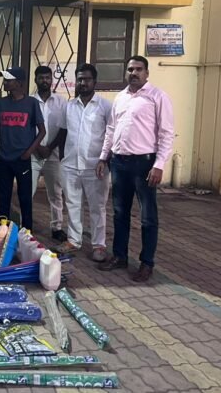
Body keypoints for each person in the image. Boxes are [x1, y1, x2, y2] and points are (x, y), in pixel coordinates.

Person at [96, 55, 174, 282]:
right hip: (119, 162)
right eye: (130, 69)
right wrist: (103, 157)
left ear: (146, 73)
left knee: (148, 216)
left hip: (144, 164)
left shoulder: (158, 97)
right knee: (120, 213)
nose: (134, 73)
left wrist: (159, 165)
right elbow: (111, 130)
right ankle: (120, 256)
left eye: (139, 69)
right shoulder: (120, 97)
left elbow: (166, 133)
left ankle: (146, 263)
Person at [50, 64, 112, 260]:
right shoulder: (69, 106)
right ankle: (73, 240)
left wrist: (105, 160)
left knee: (97, 207)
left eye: (87, 79)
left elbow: (111, 135)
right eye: (79, 79)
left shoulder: (105, 106)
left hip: (96, 166)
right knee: (73, 204)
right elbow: (62, 133)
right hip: (70, 165)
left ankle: (99, 245)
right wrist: (62, 158)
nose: (83, 83)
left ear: (95, 81)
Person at [0, 68, 45, 230]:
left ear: (19, 83)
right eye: (5, 80)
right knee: (2, 197)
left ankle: (27, 232)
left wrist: (29, 152)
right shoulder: (1, 103)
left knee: (24, 198)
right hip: (3, 158)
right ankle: (3, 230)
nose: (5, 83)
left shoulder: (31, 104)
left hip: (22, 159)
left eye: (8, 80)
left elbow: (42, 131)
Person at [30, 65, 70, 241]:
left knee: (55, 193)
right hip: (33, 153)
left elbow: (63, 129)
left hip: (54, 154)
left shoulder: (61, 102)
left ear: (51, 80)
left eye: (47, 77)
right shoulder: (29, 101)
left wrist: (50, 148)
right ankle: (25, 225)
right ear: (36, 80)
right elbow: (26, 128)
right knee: (27, 191)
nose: (44, 81)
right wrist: (38, 147)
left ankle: (57, 227)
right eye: (41, 78)